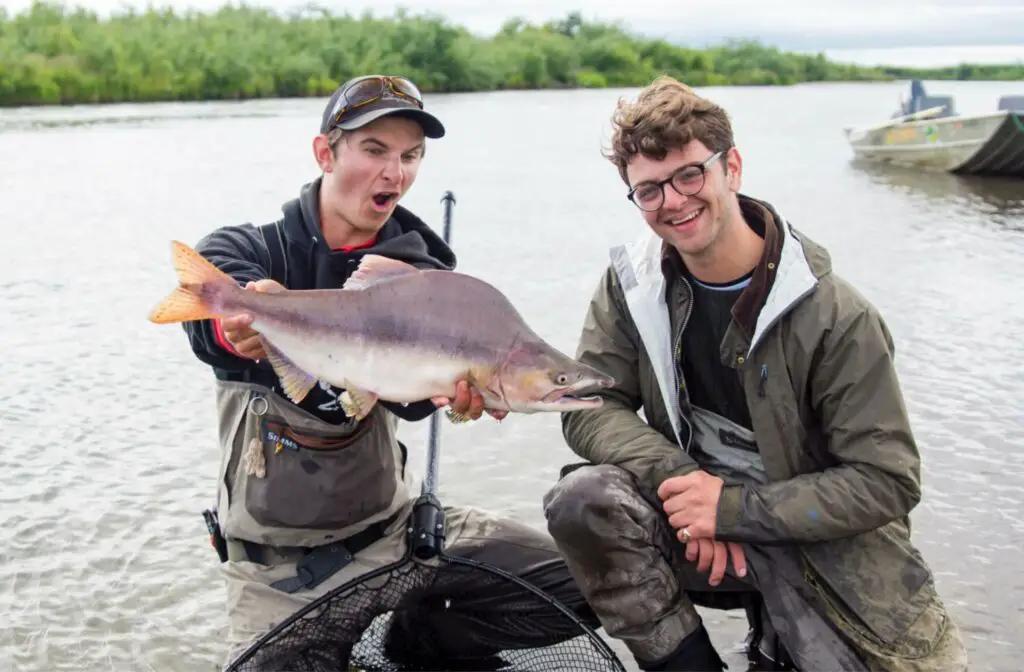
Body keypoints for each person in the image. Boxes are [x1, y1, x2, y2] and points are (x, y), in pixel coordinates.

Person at [541, 76, 969, 672]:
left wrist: (736, 509)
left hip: (817, 537)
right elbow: (587, 405)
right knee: (583, 500)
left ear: (731, 167)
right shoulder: (630, 286)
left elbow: (887, 482)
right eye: (649, 190)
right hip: (696, 523)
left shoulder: (837, 315)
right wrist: (690, 487)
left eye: (691, 174)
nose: (674, 200)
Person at [179, 74, 599, 670]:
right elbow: (206, 330)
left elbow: (406, 403)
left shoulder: (418, 272)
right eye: (374, 150)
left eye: (410, 156)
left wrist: (452, 397)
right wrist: (238, 328)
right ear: (326, 152)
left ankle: (414, 648)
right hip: (277, 574)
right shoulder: (255, 250)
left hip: (396, 535)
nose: (394, 174)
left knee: (585, 586)